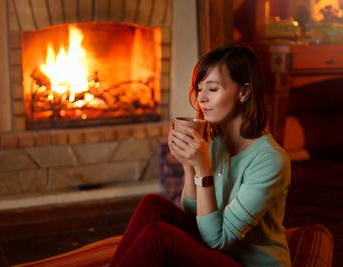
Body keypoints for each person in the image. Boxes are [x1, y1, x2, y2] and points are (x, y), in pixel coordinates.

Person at [109, 44, 291, 267]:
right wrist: (189, 165)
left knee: (158, 237)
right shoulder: (215, 143)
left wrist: (203, 169)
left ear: (244, 92)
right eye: (200, 88)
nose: (201, 98)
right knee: (152, 204)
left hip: (247, 263)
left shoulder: (270, 160)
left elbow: (217, 239)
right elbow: (194, 217)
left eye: (213, 89)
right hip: (220, 254)